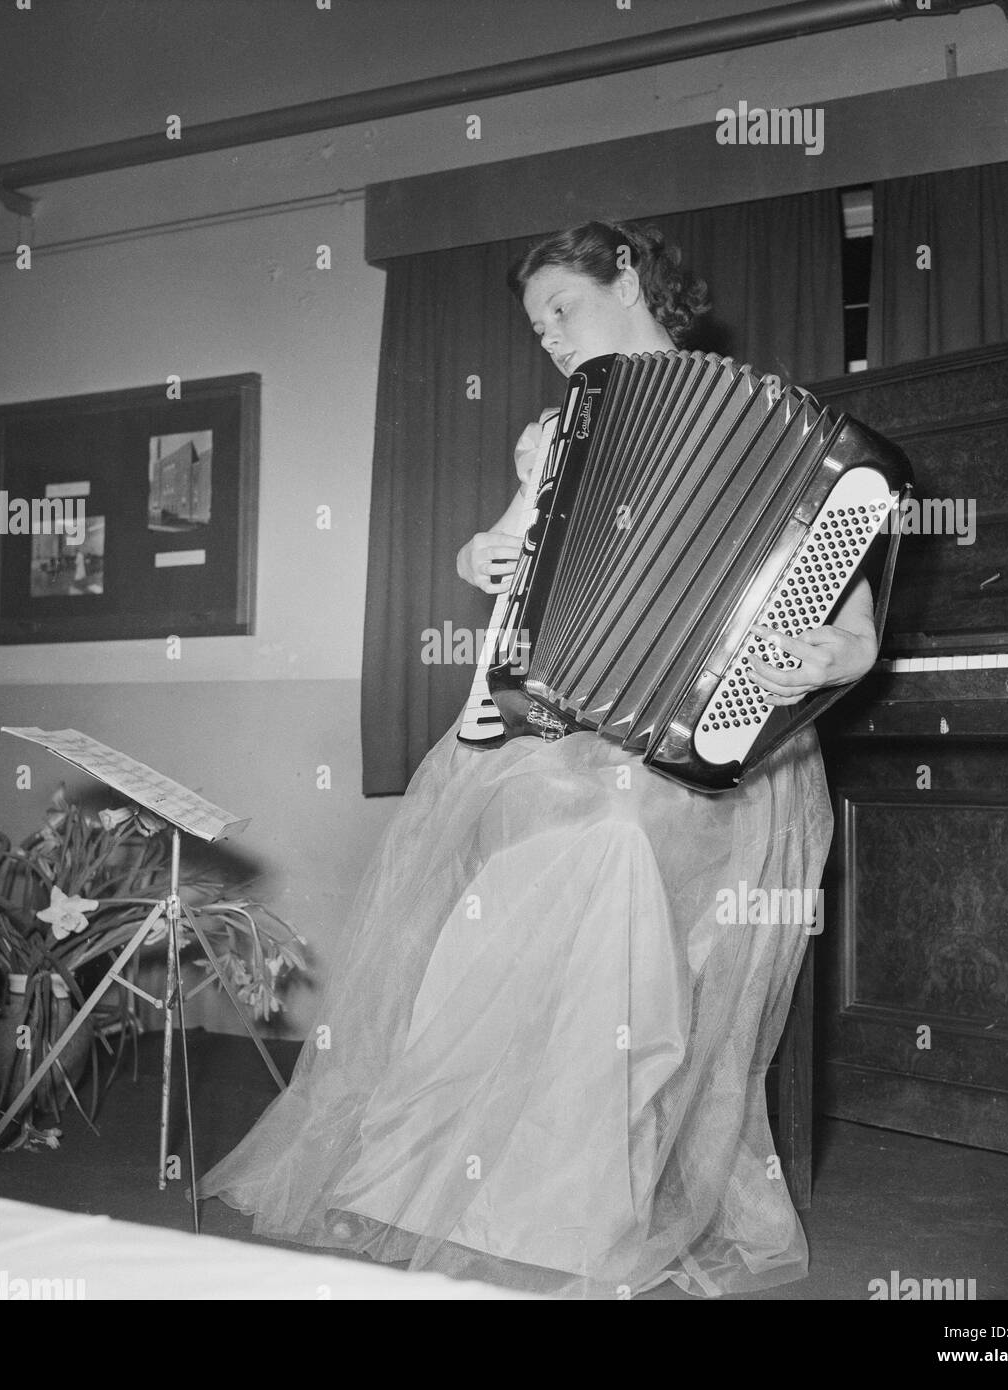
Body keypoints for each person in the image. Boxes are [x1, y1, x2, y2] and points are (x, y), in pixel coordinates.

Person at [200, 221, 879, 1298]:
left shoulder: (793, 440)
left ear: (630, 280)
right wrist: (485, 550)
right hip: (559, 738)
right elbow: (495, 554)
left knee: (608, 845)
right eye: (535, 327)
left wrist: (815, 655)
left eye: (563, 309)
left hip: (720, 756)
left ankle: (569, 1204)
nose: (551, 340)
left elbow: (856, 636)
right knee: (566, 842)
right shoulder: (559, 433)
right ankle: (431, 1182)